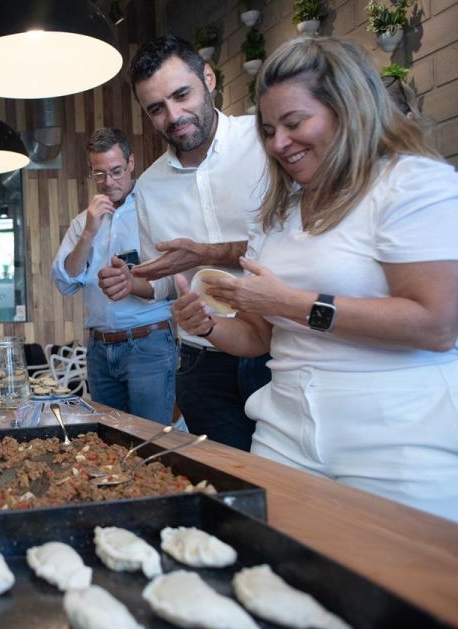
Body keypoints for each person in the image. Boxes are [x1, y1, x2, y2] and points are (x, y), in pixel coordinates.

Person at [171, 36, 458, 521]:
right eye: (268, 129)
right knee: (277, 572)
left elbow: (436, 324)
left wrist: (290, 303)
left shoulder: (410, 183)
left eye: (294, 123)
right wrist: (206, 326)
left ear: (347, 110)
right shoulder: (277, 216)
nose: (278, 142)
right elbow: (259, 336)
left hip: (398, 436)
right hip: (285, 431)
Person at [124, 36, 271, 449]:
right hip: (202, 361)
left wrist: (206, 253)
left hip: (279, 352)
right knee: (225, 490)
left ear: (208, 77)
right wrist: (138, 281)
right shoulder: (150, 187)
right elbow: (170, 280)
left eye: (181, 95)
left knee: (285, 487)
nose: (173, 115)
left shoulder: (264, 144)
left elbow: (295, 245)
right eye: (156, 108)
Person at [51, 128, 176, 424]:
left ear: (131, 163)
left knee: (151, 440)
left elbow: (175, 280)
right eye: (99, 174)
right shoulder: (84, 221)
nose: (108, 182)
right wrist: (89, 233)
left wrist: (132, 284)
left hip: (148, 342)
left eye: (116, 171)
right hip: (98, 349)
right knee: (110, 440)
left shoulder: (155, 211)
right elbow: (65, 282)